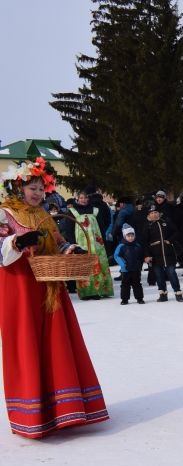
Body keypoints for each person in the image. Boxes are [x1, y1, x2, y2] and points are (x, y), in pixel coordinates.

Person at [0, 157, 109, 438]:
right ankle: (34, 414)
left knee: (55, 342)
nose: (38, 193)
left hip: (49, 284)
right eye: (32, 188)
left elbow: (58, 243)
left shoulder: (46, 216)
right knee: (27, 343)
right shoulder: (5, 213)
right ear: (19, 188)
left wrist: (71, 250)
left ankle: (64, 410)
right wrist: (16, 242)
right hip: (20, 287)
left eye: (41, 188)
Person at [67, 191, 114, 300]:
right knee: (84, 266)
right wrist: (73, 243)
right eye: (81, 198)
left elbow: (101, 226)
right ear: (77, 199)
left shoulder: (95, 210)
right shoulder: (72, 211)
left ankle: (99, 290)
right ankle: (86, 292)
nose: (83, 200)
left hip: (97, 243)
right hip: (82, 244)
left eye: (85, 197)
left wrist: (103, 241)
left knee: (99, 265)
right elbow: (69, 229)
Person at [144, 205, 183, 302]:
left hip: (169, 254)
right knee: (159, 275)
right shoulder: (148, 226)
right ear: (149, 215)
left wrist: (170, 241)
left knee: (172, 273)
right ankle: (163, 294)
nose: (154, 214)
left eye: (156, 212)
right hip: (155, 256)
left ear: (159, 213)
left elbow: (176, 232)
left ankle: (178, 293)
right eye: (152, 213)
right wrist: (147, 255)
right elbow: (144, 242)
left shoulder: (166, 222)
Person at [114, 224, 145, 305]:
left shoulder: (137, 245)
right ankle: (124, 299)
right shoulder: (121, 246)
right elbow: (116, 256)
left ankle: (139, 298)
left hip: (136, 269)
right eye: (128, 236)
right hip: (126, 270)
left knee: (137, 284)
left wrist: (140, 265)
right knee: (125, 285)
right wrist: (123, 264)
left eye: (132, 235)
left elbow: (141, 256)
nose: (130, 237)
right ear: (125, 236)